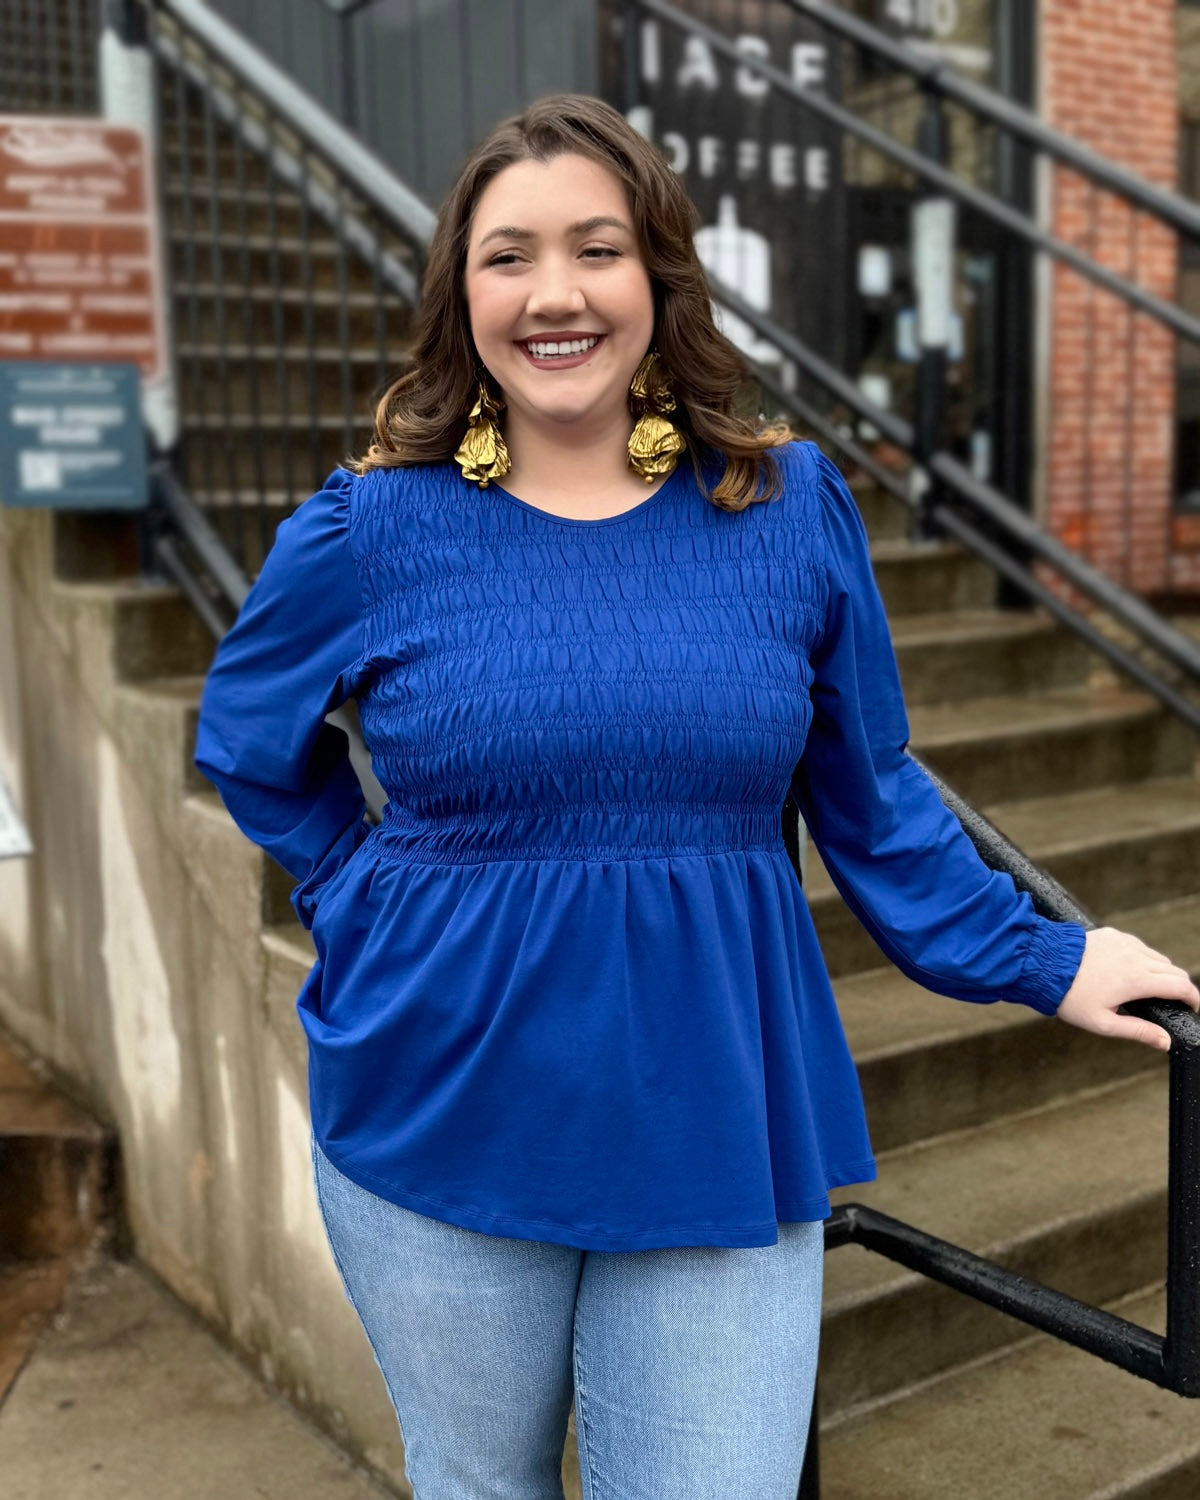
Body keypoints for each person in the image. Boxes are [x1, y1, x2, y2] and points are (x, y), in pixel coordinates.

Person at [192, 92, 1200, 1500]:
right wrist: (356, 889)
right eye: (509, 257)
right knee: (483, 1487)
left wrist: (1042, 955)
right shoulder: (374, 525)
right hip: (442, 1095)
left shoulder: (783, 505)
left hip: (716, 1102)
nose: (556, 294)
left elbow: (873, 792)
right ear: (459, 292)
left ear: (660, 275)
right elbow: (248, 739)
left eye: (597, 249)